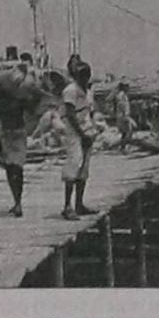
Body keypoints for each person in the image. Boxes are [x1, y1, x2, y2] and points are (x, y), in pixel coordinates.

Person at [0, 78, 41, 217]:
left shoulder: (16, 98)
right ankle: (17, 201)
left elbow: (32, 108)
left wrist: (34, 94)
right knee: (11, 169)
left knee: (16, 168)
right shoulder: (6, 97)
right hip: (7, 135)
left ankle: (18, 202)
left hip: (16, 135)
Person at [61, 61, 98, 220]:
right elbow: (70, 115)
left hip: (87, 130)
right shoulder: (70, 91)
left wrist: (91, 131)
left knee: (84, 169)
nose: (82, 78)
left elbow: (90, 113)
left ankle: (79, 204)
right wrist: (82, 134)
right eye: (79, 75)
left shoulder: (88, 92)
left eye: (85, 75)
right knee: (73, 165)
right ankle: (67, 206)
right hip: (74, 132)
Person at [113, 82, 133, 153]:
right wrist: (125, 115)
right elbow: (122, 105)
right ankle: (124, 147)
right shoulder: (122, 95)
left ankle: (123, 147)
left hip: (121, 115)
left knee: (125, 132)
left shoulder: (121, 95)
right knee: (128, 131)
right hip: (123, 115)